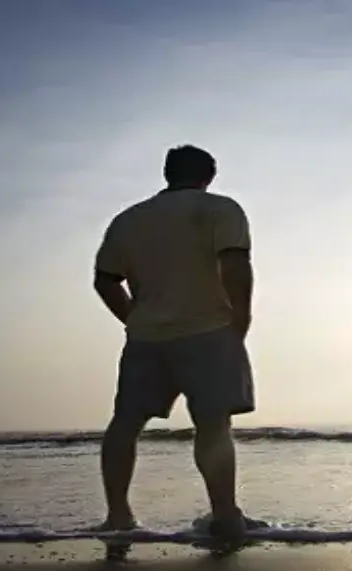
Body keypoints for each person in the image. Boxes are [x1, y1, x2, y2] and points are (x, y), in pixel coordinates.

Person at [92, 145, 255, 540]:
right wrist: (241, 316)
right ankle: (225, 513)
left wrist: (132, 317)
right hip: (209, 330)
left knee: (126, 422)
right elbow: (234, 264)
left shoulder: (128, 219)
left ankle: (118, 514)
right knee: (213, 424)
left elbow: (105, 279)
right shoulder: (220, 209)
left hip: (147, 336)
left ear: (168, 173)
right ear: (209, 175)